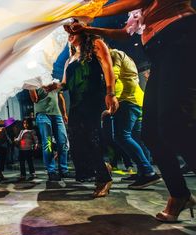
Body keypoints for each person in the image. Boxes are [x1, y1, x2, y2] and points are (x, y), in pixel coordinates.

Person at [68, 0, 196, 221]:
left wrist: (91, 12)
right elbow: (126, 33)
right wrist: (88, 27)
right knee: (150, 133)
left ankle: (170, 188)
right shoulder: (140, 16)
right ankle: (179, 193)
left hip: (180, 38)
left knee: (172, 124)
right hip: (160, 54)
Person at [53, 28, 119, 197]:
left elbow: (107, 66)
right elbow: (65, 84)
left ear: (83, 30)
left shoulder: (96, 44)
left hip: (93, 99)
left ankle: (104, 178)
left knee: (92, 139)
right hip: (76, 104)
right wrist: (55, 86)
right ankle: (102, 169)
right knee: (77, 142)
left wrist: (110, 93)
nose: (70, 34)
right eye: (67, 32)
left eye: (73, 29)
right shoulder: (69, 60)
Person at [109, 48, 161, 188]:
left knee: (121, 136)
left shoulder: (113, 54)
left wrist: (112, 98)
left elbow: (113, 76)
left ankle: (147, 172)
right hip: (137, 99)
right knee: (138, 138)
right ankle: (143, 171)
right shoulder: (126, 56)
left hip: (127, 100)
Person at [29, 83, 69, 185]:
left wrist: (64, 114)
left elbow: (60, 97)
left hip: (57, 114)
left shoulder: (53, 79)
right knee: (48, 143)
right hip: (42, 114)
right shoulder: (34, 80)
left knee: (63, 142)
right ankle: (51, 171)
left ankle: (63, 169)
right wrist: (31, 87)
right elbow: (34, 99)